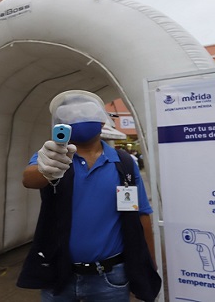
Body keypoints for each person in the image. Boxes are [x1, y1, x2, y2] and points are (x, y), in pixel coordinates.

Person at [17, 90, 161, 302]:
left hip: (112, 277)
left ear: (103, 122)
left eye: (85, 113)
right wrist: (46, 169)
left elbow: (140, 213)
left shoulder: (123, 163)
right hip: (58, 274)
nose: (78, 118)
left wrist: (149, 262)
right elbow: (30, 179)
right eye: (70, 115)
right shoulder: (52, 157)